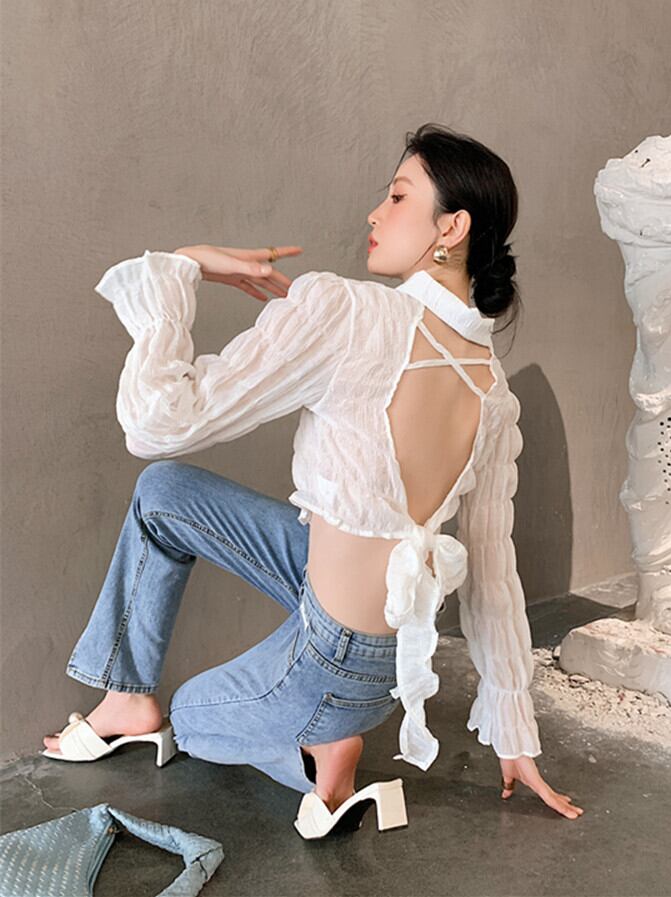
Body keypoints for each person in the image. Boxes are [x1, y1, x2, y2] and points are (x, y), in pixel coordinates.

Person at [43, 123, 583, 822]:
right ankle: (127, 696)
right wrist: (514, 736)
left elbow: (158, 423)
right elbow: (492, 575)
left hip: (332, 663)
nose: (375, 213)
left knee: (195, 720)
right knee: (165, 493)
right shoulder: (493, 390)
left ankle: (322, 747)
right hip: (386, 649)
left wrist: (181, 268)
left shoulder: (351, 314)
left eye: (398, 197)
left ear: (450, 228)